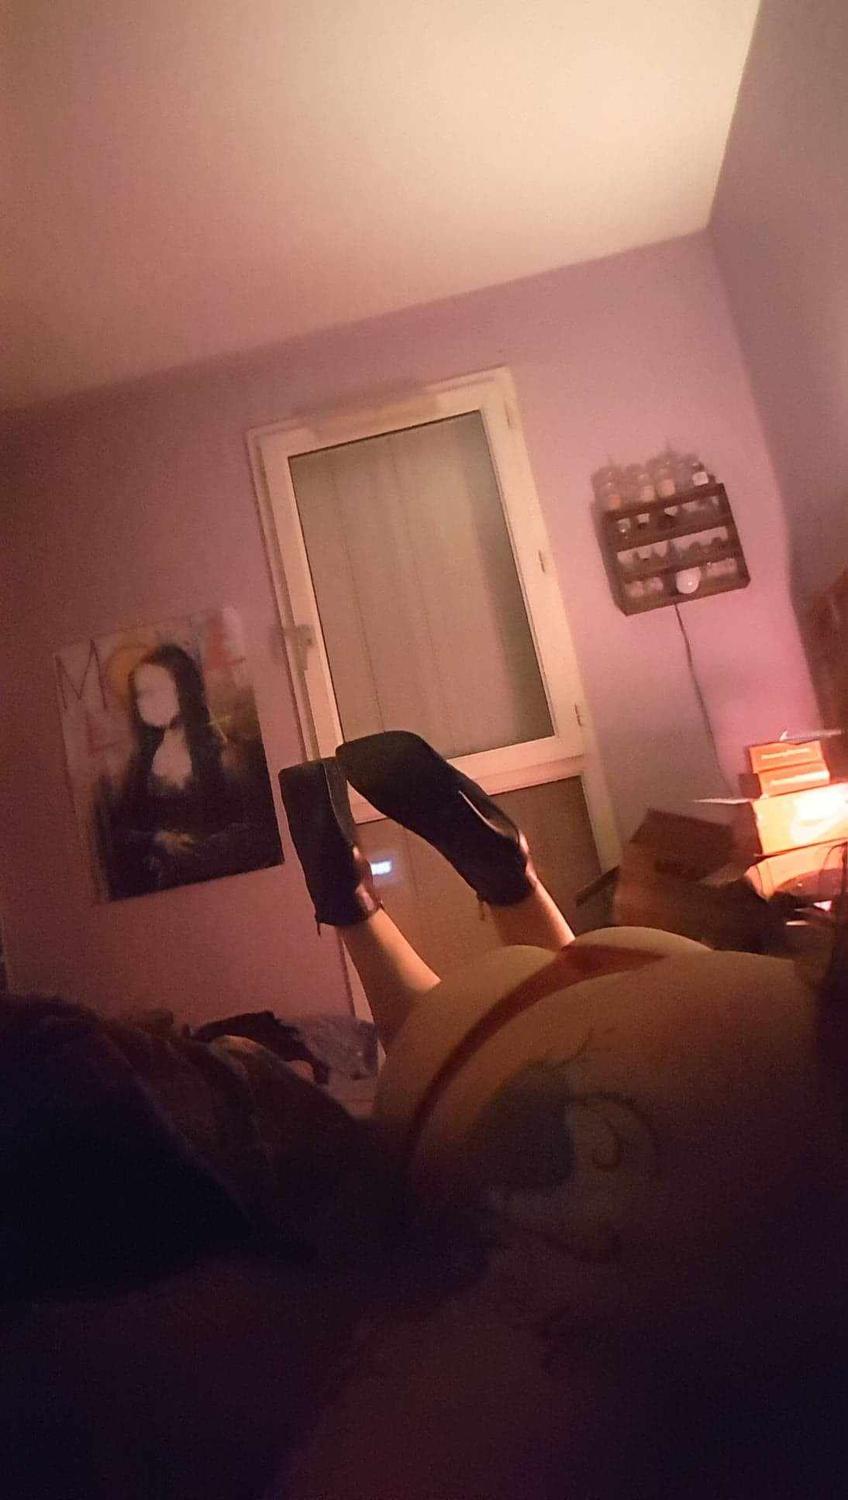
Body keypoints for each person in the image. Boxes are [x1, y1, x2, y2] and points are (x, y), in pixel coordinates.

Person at [275, 730, 848, 1497]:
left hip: (655, 973)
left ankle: (496, 880)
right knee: (442, 1032)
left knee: (545, 993)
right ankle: (355, 896)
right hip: (496, 1049)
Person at [97, 643, 281, 898]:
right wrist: (158, 841)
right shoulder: (141, 765)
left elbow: (260, 833)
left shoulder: (225, 755)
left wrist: (197, 850)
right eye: (141, 694)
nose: (149, 703)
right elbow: (121, 833)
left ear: (185, 690)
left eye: (158, 691)